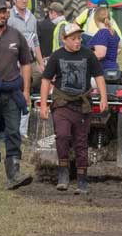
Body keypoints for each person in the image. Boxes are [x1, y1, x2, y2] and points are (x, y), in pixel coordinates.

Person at [38, 22, 108, 194]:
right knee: (62, 135)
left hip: (82, 104)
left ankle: (82, 180)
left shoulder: (88, 55)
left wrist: (103, 98)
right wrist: (44, 104)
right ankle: (63, 173)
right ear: (64, 40)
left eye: (79, 38)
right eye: (73, 38)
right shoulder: (56, 56)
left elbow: (99, 76)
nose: (78, 42)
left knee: (81, 142)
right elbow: (46, 80)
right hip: (62, 102)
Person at [0, 0, 34, 189]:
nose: (3, 15)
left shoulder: (16, 35)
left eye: (5, 11)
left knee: (14, 131)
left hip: (13, 92)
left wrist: (26, 90)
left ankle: (14, 173)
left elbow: (26, 63)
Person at [8, 0, 45, 72]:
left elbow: (36, 42)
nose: (24, 1)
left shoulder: (32, 17)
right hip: (14, 62)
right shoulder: (9, 16)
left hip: (31, 60)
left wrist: (41, 64)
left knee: (39, 79)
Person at [90, 7, 121, 75]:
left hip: (102, 71)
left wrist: (86, 54)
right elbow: (119, 49)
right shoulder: (113, 32)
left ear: (95, 19)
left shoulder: (102, 33)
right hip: (113, 70)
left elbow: (100, 54)